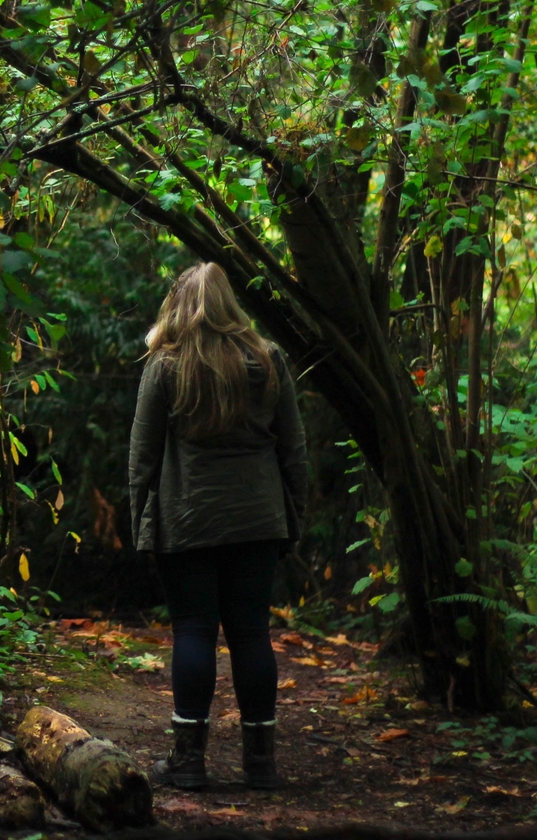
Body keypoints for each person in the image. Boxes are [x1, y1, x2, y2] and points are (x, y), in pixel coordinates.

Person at [127, 262, 308, 791]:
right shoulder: (270, 360)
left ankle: (188, 762)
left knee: (194, 631)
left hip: (187, 521)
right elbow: (295, 452)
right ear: (231, 303)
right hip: (258, 521)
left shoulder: (166, 366)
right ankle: (261, 764)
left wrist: (144, 521)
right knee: (252, 632)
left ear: (178, 307)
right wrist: (293, 518)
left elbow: (143, 456)